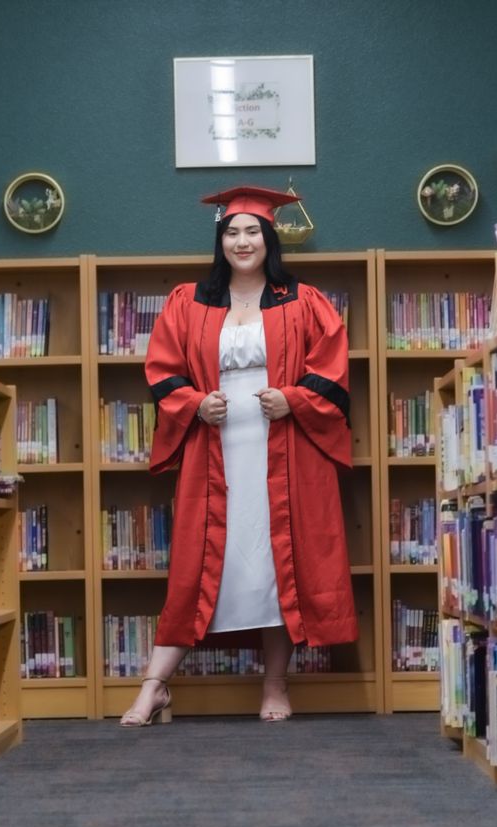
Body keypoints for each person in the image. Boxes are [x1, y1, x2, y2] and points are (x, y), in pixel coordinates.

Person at [120, 186, 358, 726]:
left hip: (288, 447)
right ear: (220, 239)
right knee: (199, 563)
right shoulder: (190, 301)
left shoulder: (305, 301)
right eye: (232, 231)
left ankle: (275, 686)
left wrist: (293, 398)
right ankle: (153, 685)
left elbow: (333, 370)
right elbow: (162, 369)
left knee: (281, 563)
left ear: (269, 237)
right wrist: (196, 403)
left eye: (253, 231)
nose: (242, 241)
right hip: (216, 445)